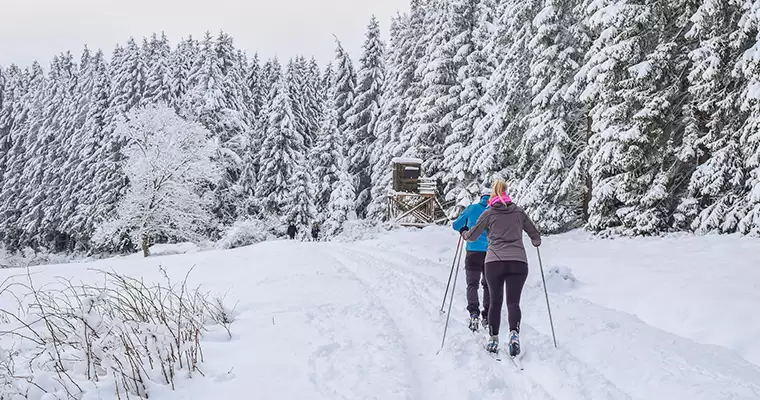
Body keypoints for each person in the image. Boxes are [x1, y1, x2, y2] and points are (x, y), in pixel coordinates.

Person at [461, 180, 541, 358]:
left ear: (492, 195)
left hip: (494, 262)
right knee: (513, 302)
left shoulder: (489, 213)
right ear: (506, 192)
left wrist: (464, 233)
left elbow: (472, 236)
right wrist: (536, 241)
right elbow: (534, 233)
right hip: (519, 262)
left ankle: (493, 338)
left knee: (495, 302)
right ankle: (514, 334)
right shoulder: (519, 212)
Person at [451, 187, 491, 332]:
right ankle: (487, 315)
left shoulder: (472, 208)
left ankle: (474, 313)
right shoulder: (495, 211)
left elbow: (456, 225)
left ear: (481, 197)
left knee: (472, 284)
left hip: (473, 251)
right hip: (491, 253)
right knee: (488, 285)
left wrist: (465, 228)